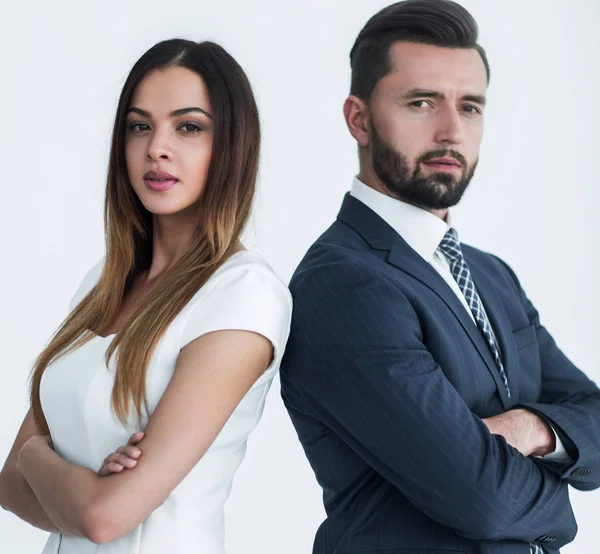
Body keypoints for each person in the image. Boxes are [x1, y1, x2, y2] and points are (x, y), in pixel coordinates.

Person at [280, 1, 600, 553]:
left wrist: (531, 427)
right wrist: (561, 511)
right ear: (359, 118)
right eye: (422, 102)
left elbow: (593, 413)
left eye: (470, 106)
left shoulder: (490, 274)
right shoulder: (343, 284)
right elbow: (482, 498)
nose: (451, 130)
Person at [0, 38, 292, 554]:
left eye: (189, 126)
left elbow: (105, 516)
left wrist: (35, 458)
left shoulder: (244, 294)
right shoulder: (102, 282)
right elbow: (8, 487)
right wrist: (54, 473)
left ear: (232, 145)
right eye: (140, 126)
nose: (157, 147)